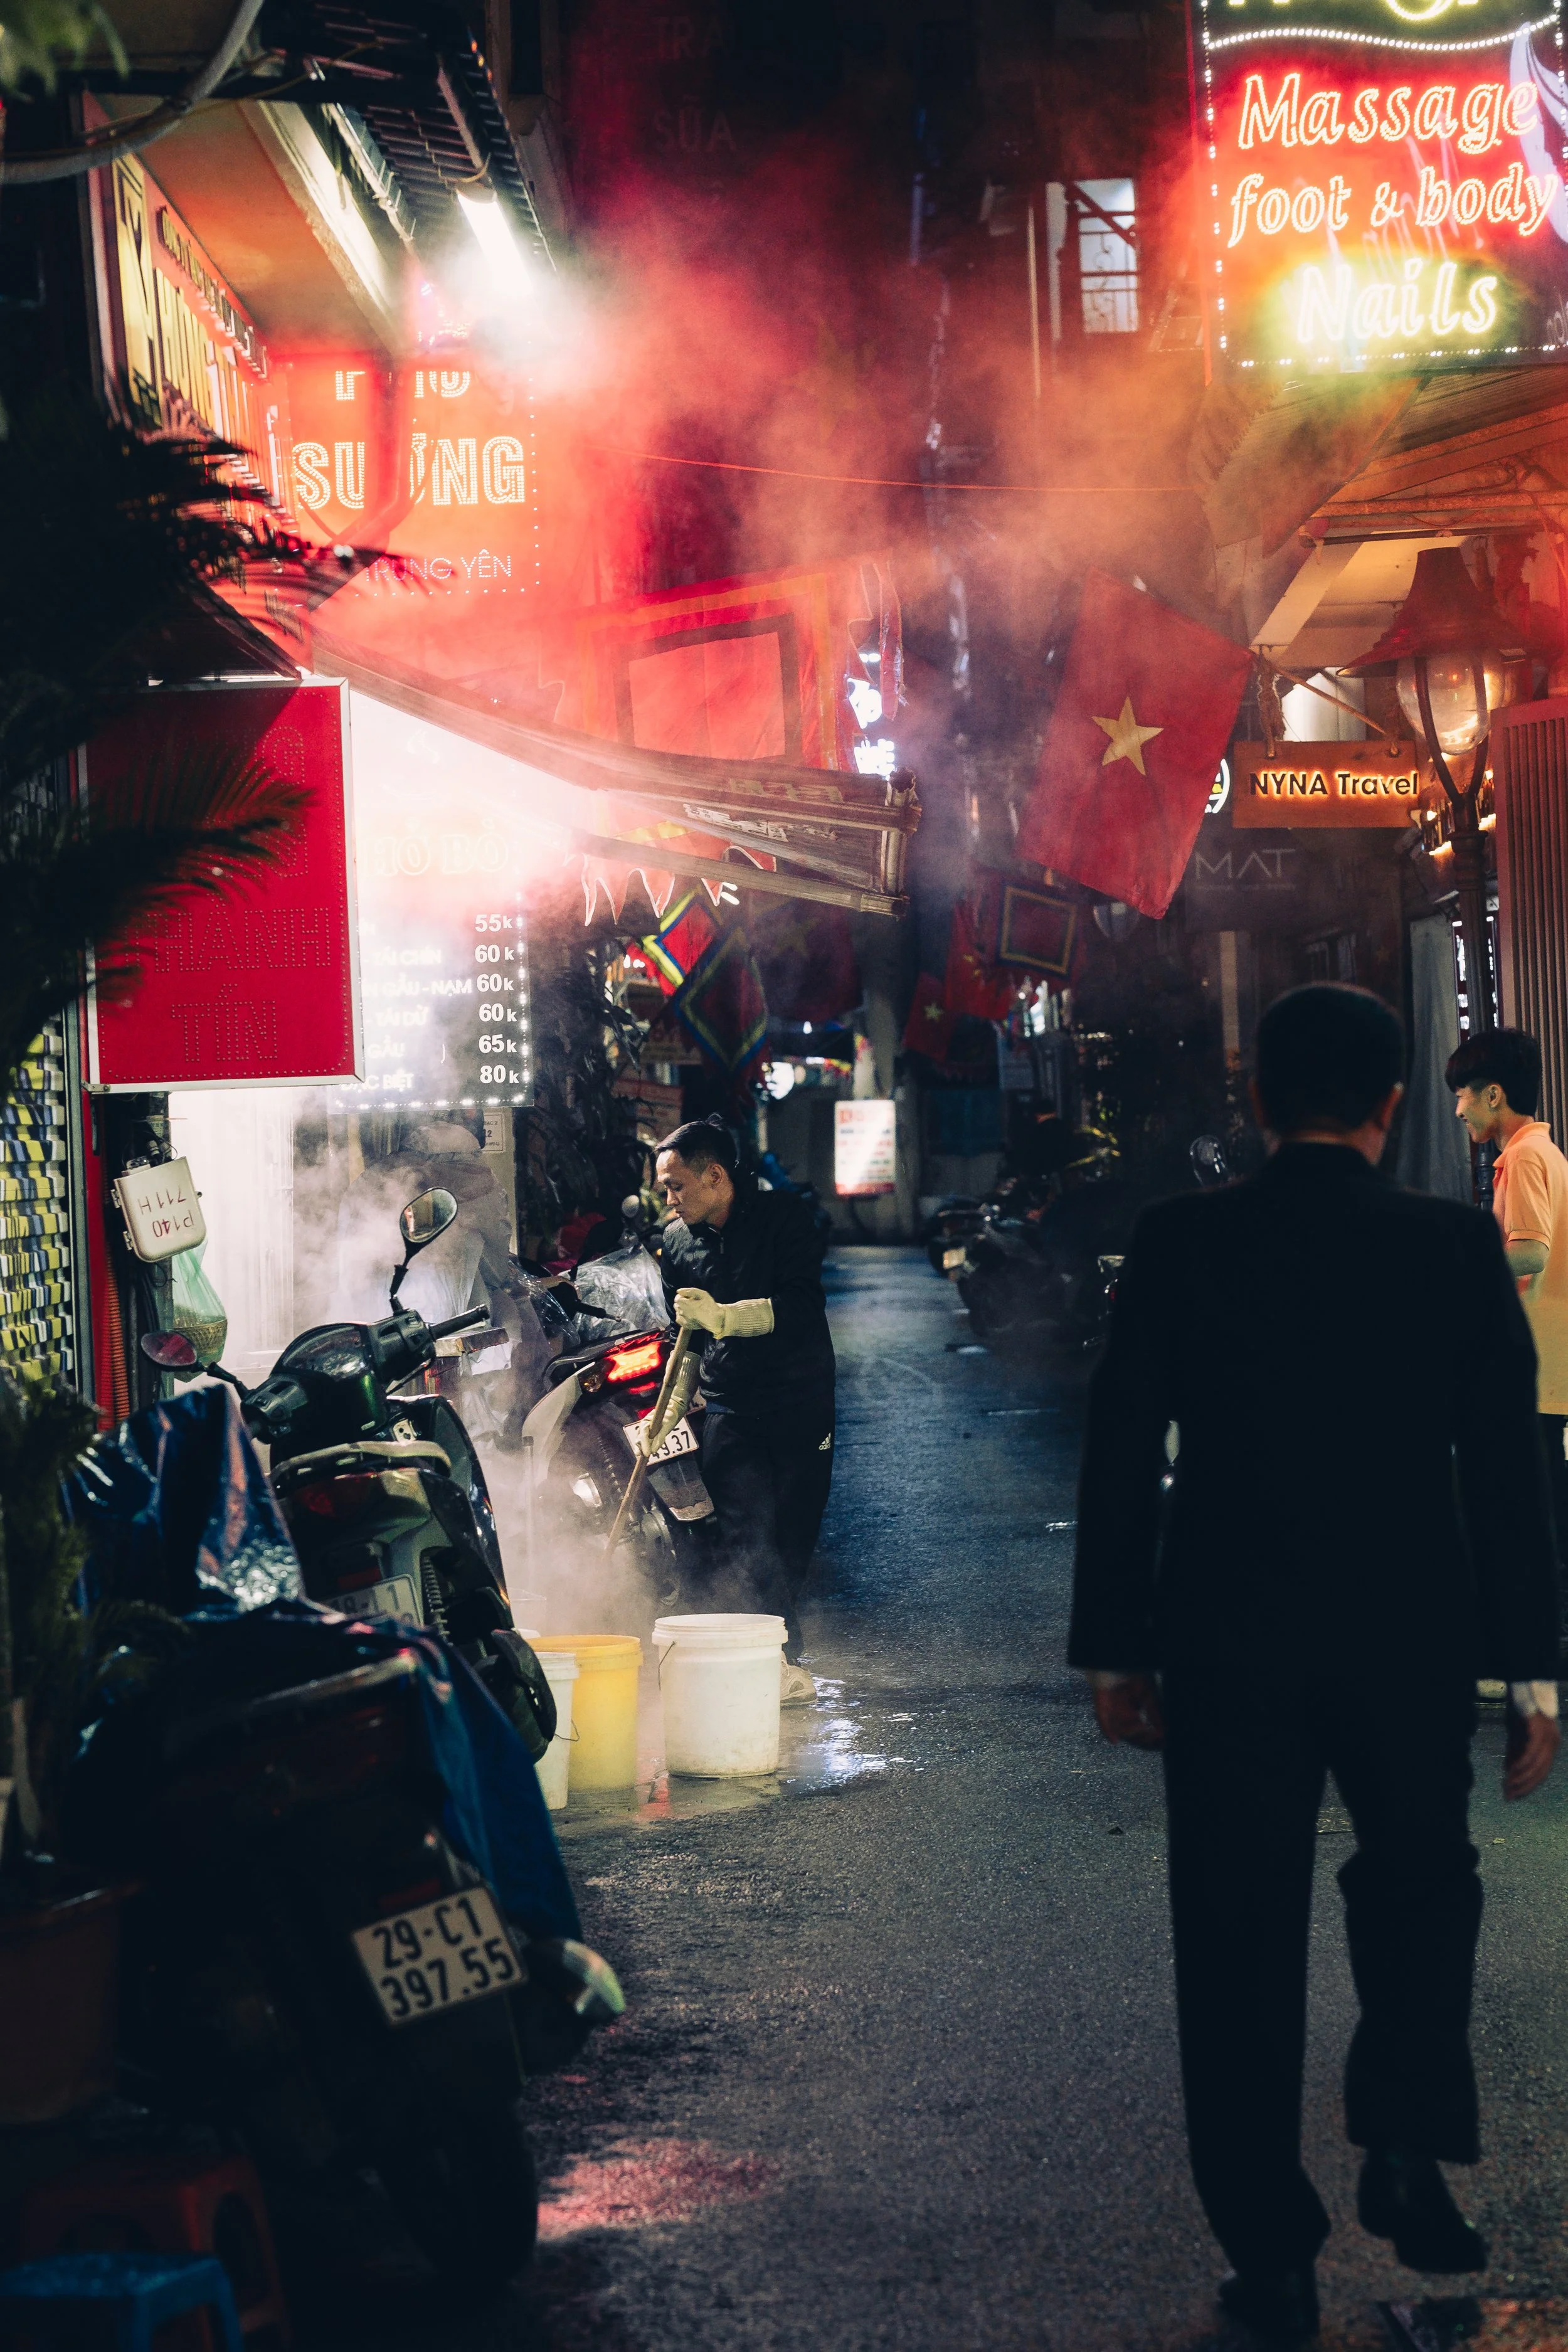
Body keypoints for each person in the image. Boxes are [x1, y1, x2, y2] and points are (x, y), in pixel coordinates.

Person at [1069, 983, 1560, 2346]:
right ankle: (1401, 2146)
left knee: (1232, 1934)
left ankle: (1269, 2250)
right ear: (1392, 1106)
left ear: (1255, 1100)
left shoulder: (1180, 1244)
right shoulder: (1452, 1250)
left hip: (1226, 1638)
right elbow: (1508, 1470)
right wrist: (1532, 1669)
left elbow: (1118, 1451)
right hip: (1408, 1634)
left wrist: (1113, 1645)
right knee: (1419, 1888)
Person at [654, 1116, 834, 1704]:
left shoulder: (785, 1219)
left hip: (801, 1401)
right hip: (732, 1406)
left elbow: (802, 1307)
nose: (669, 1198)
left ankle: (778, 1648)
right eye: (664, 1188)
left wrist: (725, 1316)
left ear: (715, 1176)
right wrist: (669, 1411)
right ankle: (777, 1660)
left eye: (677, 1185)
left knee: (791, 1537)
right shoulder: (677, 1242)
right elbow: (688, 1341)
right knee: (744, 1534)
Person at [1448, 1027, 1568, 1624]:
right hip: (1549, 1367)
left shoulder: (1521, 1157)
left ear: (1493, 1094)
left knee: (1526, 1515)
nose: (1457, 1108)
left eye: (1464, 1096)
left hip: (1534, 1369)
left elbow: (1530, 1252)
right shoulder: (1545, 1152)